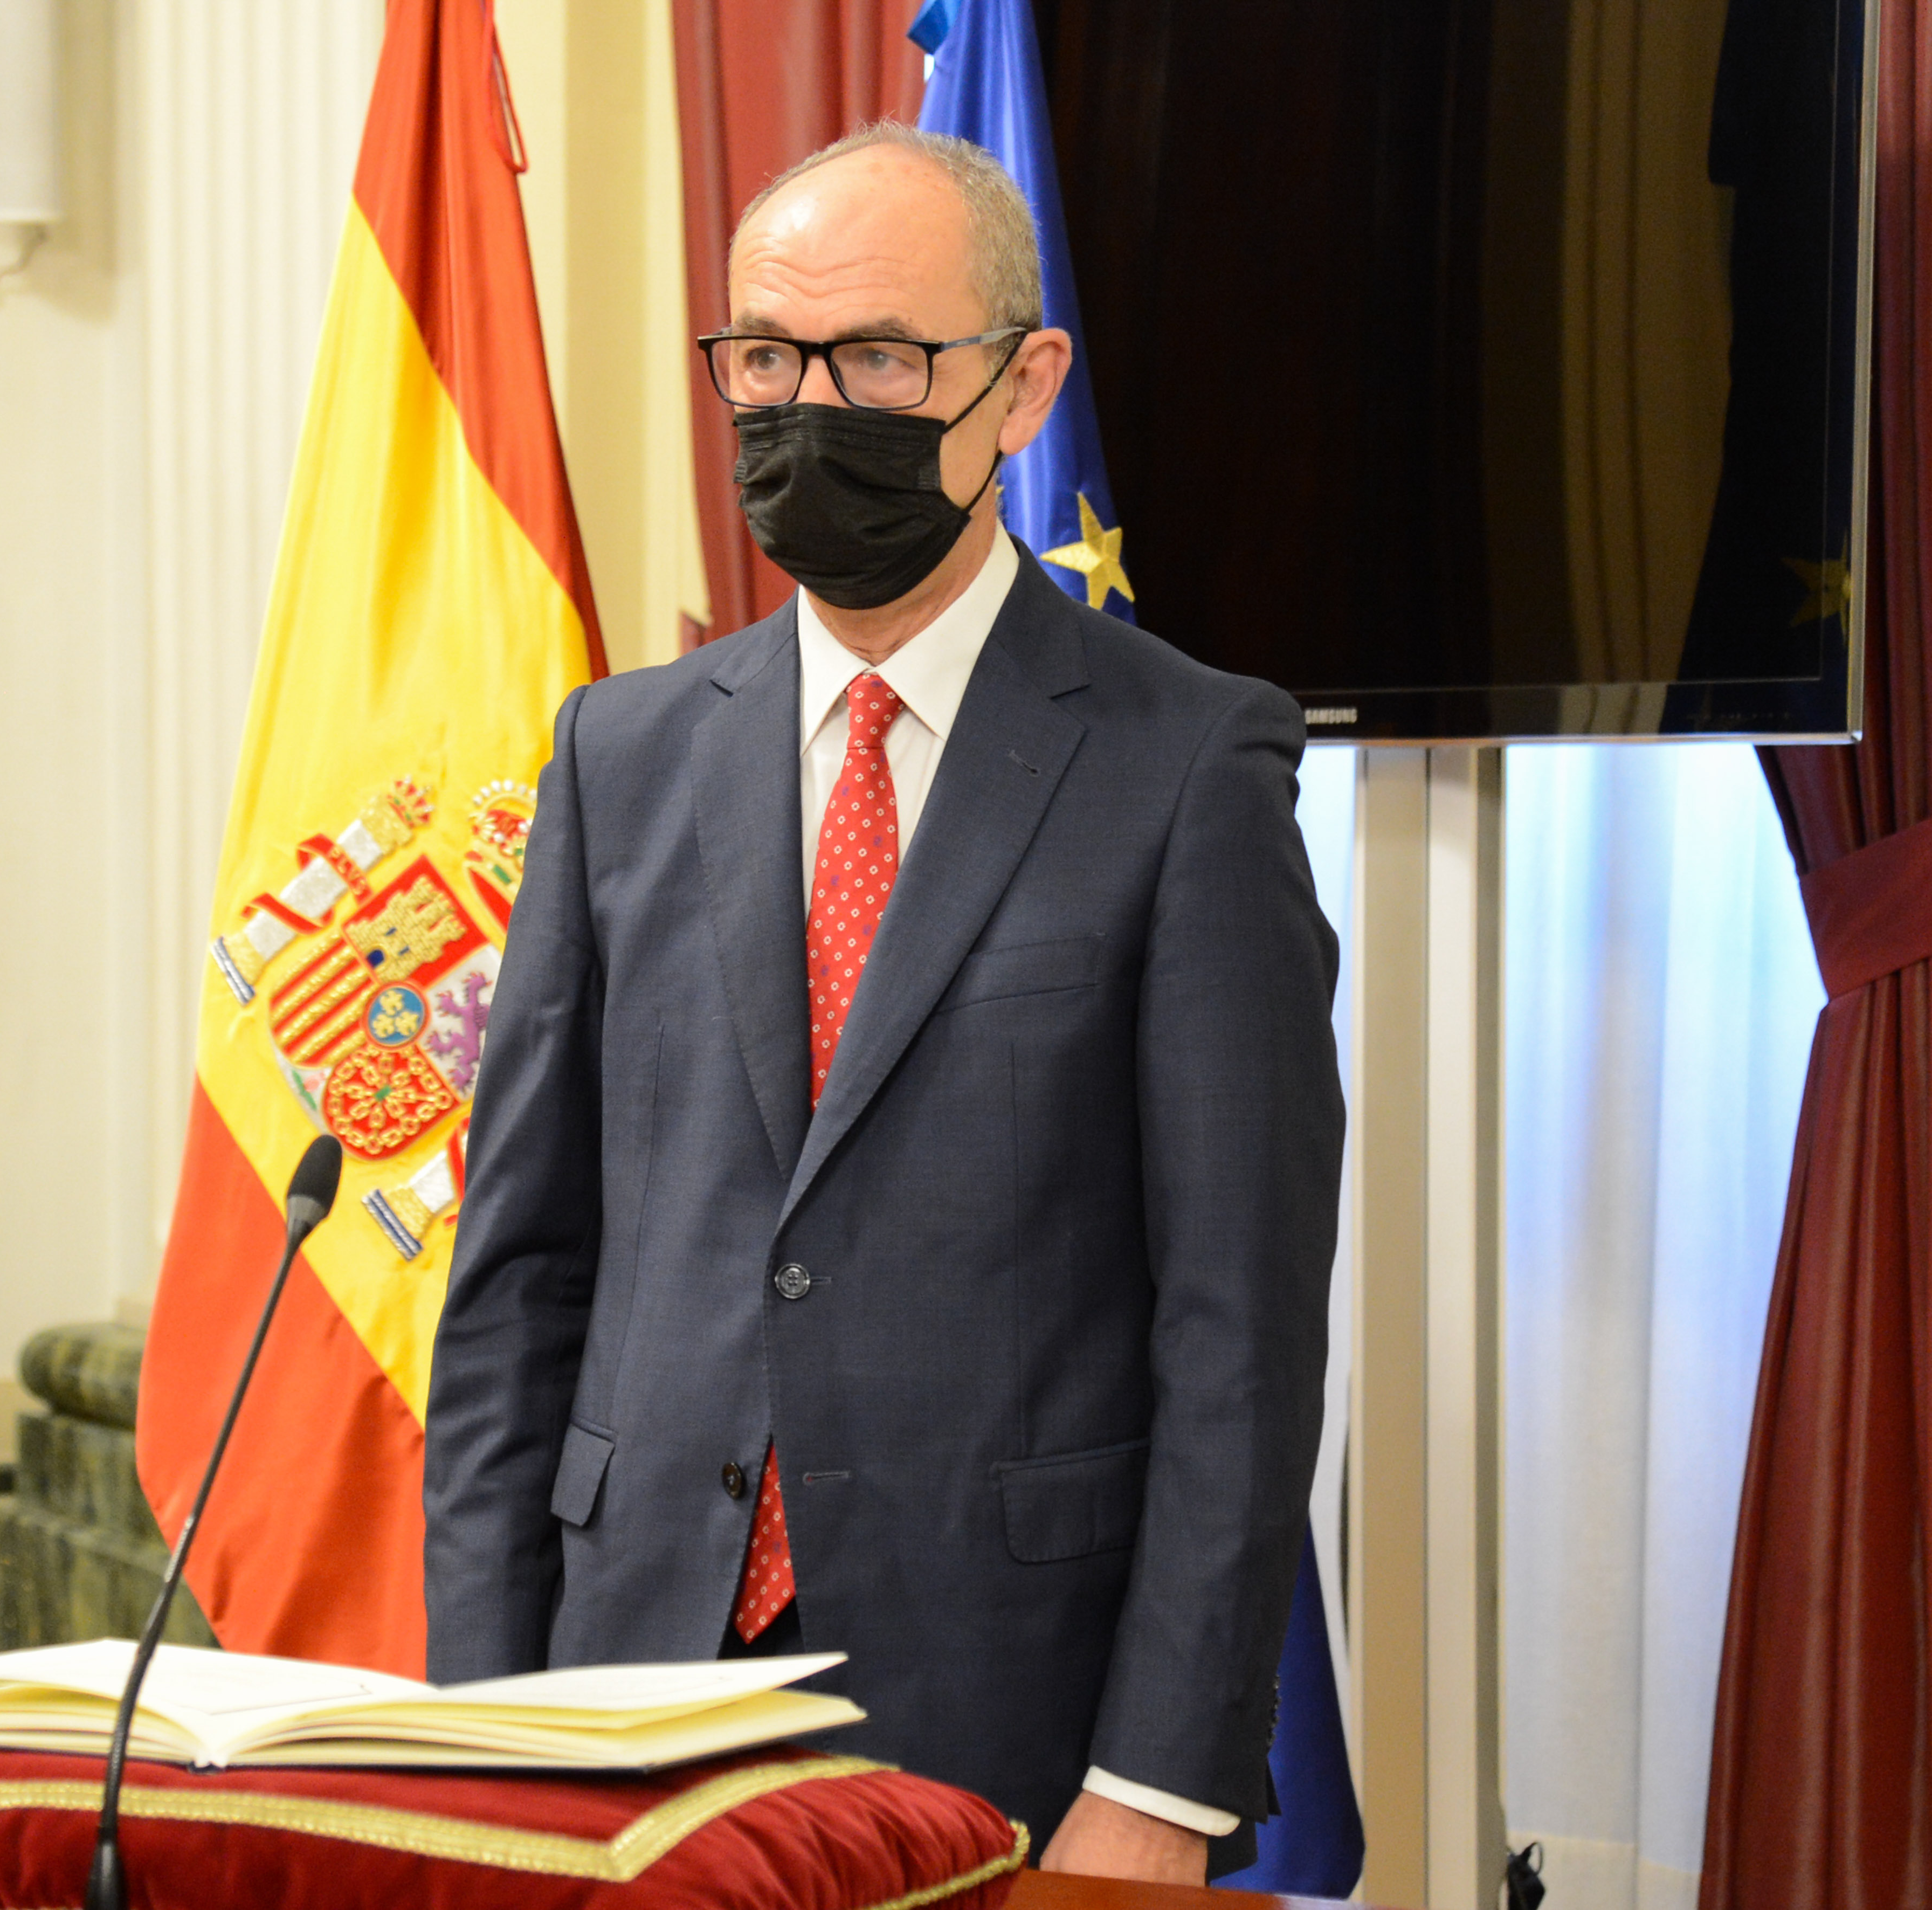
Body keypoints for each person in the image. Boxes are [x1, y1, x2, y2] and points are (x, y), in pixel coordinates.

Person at [420, 123, 1341, 1885]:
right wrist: (482, 1723)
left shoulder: (1189, 762)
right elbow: (521, 1285)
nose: (810, 407)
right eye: (767, 359)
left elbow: (1239, 1328)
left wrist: (1159, 1785)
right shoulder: (619, 752)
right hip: (624, 1700)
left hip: (1011, 1718)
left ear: (1022, 387)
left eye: (881, 361)